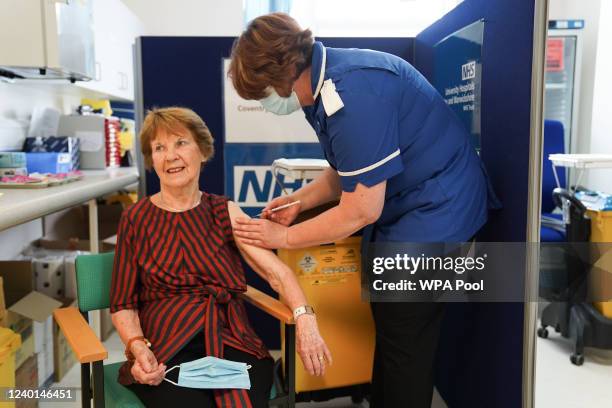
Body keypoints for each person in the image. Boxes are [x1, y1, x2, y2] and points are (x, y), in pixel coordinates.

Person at [228, 13, 498, 408]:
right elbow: (346, 171)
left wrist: (284, 237)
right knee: (391, 326)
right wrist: (300, 201)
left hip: (440, 205)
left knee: (405, 334)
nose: (266, 103)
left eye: (263, 92)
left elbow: (360, 210)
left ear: (283, 72)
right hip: (409, 205)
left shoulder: (355, 91)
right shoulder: (319, 87)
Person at [110, 107, 332, 408]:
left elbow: (277, 273)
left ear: (202, 150)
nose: (170, 155)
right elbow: (123, 303)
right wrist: (137, 348)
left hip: (231, 339)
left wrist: (305, 319)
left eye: (180, 143)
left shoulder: (224, 211)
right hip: (165, 346)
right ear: (152, 160)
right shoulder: (135, 219)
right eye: (159, 148)